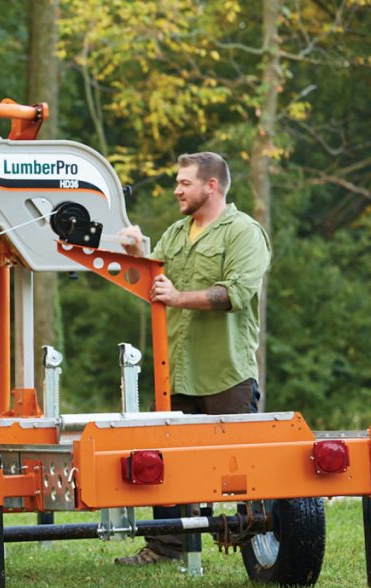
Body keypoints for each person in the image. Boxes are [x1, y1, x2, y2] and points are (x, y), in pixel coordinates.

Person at [114, 152, 272, 565]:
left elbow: (235, 293)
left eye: (185, 183)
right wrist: (137, 250)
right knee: (160, 460)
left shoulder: (243, 233)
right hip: (175, 371)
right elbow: (154, 277)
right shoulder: (177, 231)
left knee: (240, 464)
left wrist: (179, 297)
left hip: (225, 372)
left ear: (212, 186)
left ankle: (257, 546)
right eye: (178, 182)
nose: (177, 189)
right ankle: (166, 546)